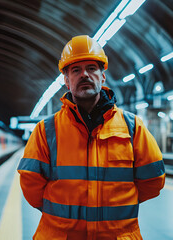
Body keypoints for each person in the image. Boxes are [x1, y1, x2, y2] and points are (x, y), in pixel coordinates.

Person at [17, 35, 165, 240]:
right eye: (76, 70)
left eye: (91, 68)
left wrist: (116, 207)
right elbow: (31, 185)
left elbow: (153, 180)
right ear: (67, 81)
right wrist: (60, 213)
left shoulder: (133, 127)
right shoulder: (46, 130)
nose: (84, 74)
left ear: (103, 77)